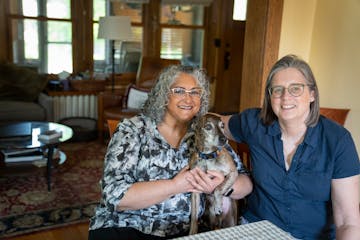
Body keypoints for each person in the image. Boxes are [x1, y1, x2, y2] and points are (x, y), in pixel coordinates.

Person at [88, 65, 253, 240]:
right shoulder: (133, 130)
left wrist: (220, 186)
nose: (188, 99)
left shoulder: (207, 129)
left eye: (195, 92)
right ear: (164, 95)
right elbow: (114, 197)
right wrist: (176, 185)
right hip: (128, 226)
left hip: (189, 232)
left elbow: (246, 183)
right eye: (179, 91)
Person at [217, 54, 360, 239]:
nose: (286, 97)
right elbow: (214, 124)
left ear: (312, 94)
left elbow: (348, 223)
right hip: (255, 231)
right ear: (270, 96)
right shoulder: (254, 123)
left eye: (295, 89)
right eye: (278, 90)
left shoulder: (338, 141)